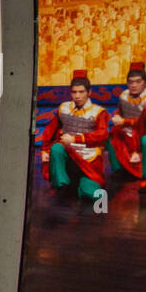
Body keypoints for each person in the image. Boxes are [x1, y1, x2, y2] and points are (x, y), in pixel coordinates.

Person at [39, 69, 108, 200]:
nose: (77, 96)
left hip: (88, 159)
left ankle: (77, 185)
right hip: (68, 154)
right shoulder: (64, 108)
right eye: (74, 92)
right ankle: (62, 185)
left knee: (92, 195)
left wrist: (76, 138)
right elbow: (50, 129)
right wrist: (44, 150)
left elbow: (102, 134)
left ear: (89, 92)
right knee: (56, 148)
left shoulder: (98, 112)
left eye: (81, 92)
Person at [106, 62, 146, 187]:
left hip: (145, 130)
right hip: (128, 130)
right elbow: (121, 111)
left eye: (138, 82)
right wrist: (117, 118)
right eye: (130, 82)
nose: (134, 85)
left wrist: (125, 122)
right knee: (111, 135)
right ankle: (120, 170)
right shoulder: (124, 95)